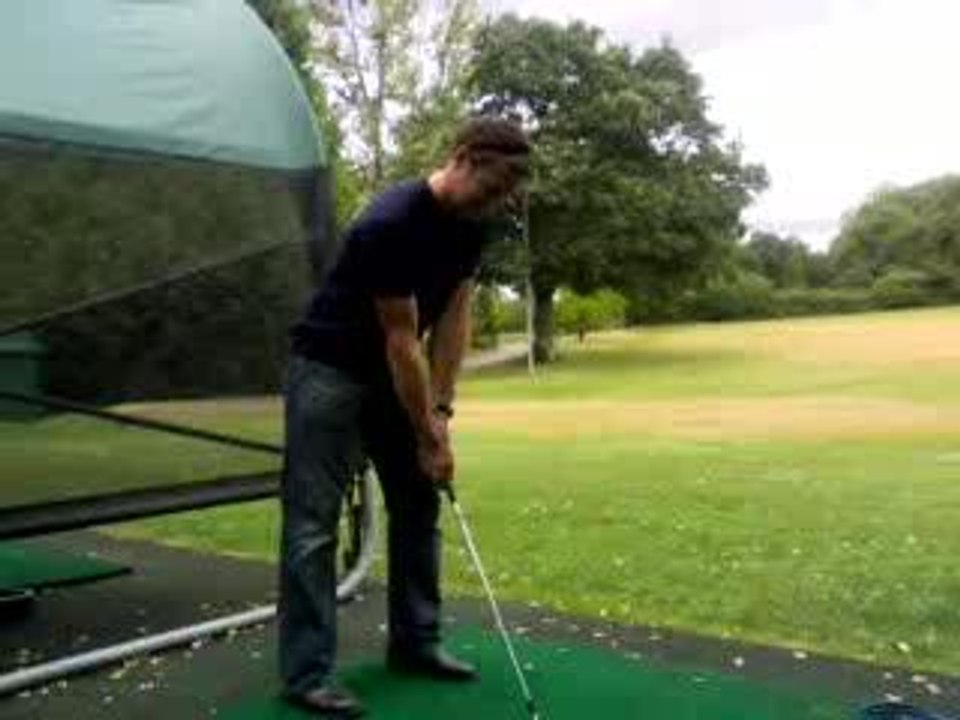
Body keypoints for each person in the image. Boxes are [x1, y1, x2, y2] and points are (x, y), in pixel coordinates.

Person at [278, 116, 531, 717]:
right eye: (494, 187)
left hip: (396, 375)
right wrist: (426, 432)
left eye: (507, 193)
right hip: (330, 371)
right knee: (313, 524)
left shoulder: (470, 227)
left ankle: (416, 644)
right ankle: (307, 674)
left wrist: (441, 410)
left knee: (419, 500)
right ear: (463, 158)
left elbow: (454, 318)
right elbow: (400, 338)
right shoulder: (389, 222)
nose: (499, 203)